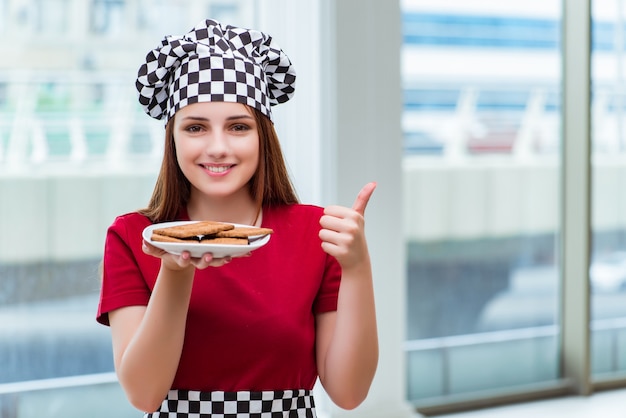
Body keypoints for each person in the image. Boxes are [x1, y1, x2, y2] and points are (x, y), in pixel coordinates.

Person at [96, 18, 378, 417]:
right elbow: (144, 395)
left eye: (238, 127)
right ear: (172, 138)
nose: (217, 147)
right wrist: (176, 271)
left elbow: (349, 393)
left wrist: (358, 267)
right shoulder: (133, 236)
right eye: (195, 127)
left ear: (263, 136)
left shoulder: (316, 234)